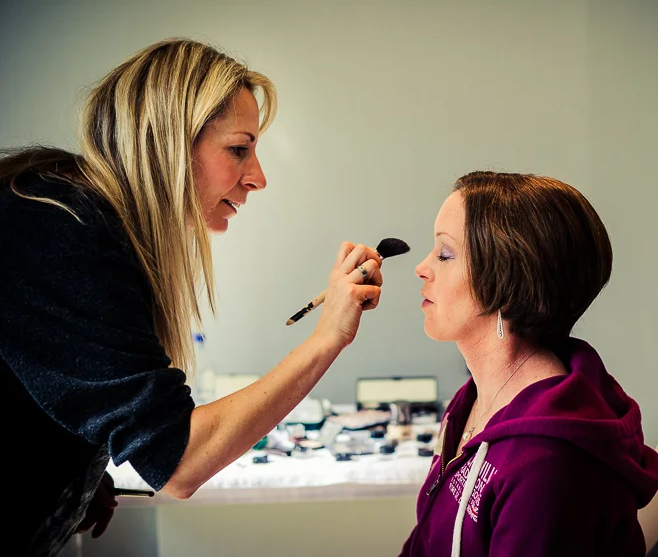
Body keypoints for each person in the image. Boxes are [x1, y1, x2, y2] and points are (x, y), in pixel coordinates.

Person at [0, 38, 384, 556]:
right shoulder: (59, 226)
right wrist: (327, 337)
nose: (258, 178)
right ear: (167, 142)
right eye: (239, 149)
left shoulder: (73, 216)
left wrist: (82, 477)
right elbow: (179, 462)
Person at [400, 171, 658, 556]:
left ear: (506, 283)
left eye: (445, 254)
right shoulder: (474, 399)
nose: (422, 267)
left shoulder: (548, 464)